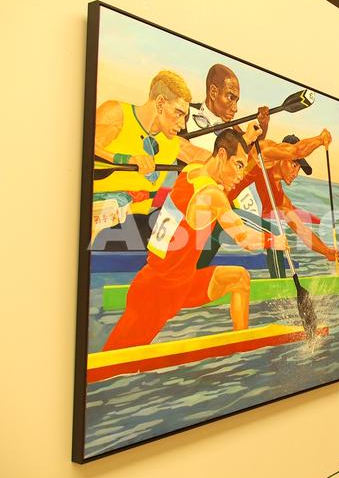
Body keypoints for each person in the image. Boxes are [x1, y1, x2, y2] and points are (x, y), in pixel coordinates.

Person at [102, 130, 288, 351]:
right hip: (158, 293)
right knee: (116, 359)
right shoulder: (212, 195)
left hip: (182, 284)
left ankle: (240, 345)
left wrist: (245, 140)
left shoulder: (191, 170)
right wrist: (274, 240)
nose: (241, 175)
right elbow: (245, 239)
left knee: (239, 279)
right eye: (238, 165)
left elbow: (186, 147)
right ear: (222, 155)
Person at [202, 133, 338, 266]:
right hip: (213, 207)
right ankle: (281, 281)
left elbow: (302, 230)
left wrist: (326, 252)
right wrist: (320, 139)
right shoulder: (263, 154)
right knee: (275, 234)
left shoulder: (279, 197)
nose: (296, 174)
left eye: (299, 169)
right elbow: (296, 151)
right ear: (282, 156)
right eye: (294, 165)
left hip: (224, 219)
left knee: (200, 262)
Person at [94, 70, 213, 216]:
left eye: (184, 116)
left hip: (134, 223)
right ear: (160, 103)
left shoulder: (172, 142)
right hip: (95, 214)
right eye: (178, 113)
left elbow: (215, 161)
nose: (182, 124)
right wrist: (126, 159)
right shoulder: (118, 113)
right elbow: (88, 147)